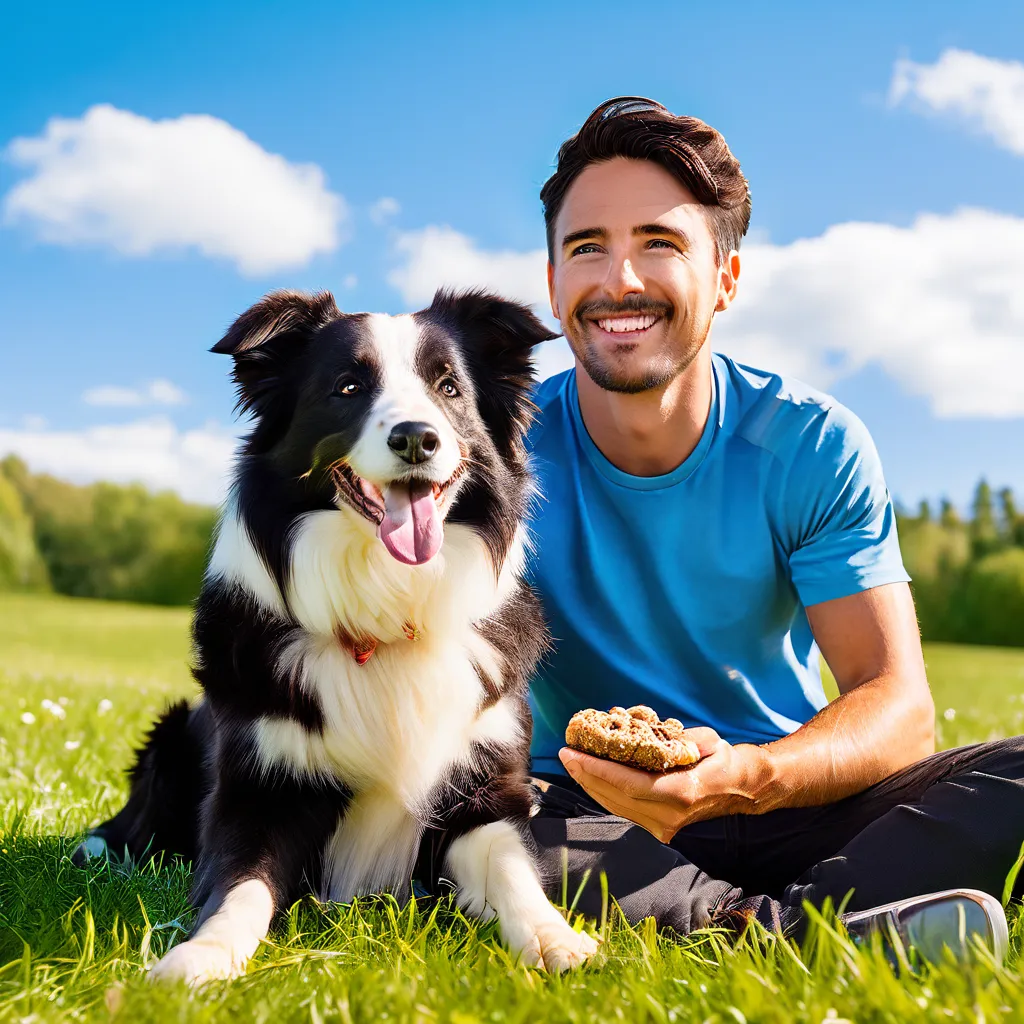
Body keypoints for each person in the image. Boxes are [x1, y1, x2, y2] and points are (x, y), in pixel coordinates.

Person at [523, 96, 1022, 957]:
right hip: (587, 814)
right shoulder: (498, 454)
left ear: (726, 278)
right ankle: (792, 928)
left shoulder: (809, 445)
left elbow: (896, 706)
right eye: (587, 248)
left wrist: (746, 778)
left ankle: (761, 914)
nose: (620, 281)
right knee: (452, 817)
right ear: (554, 282)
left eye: (659, 243)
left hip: (791, 799)